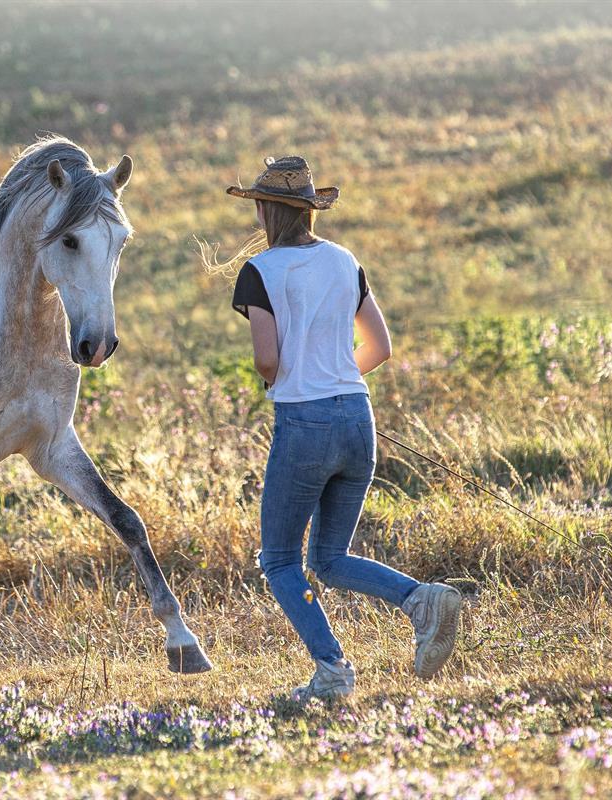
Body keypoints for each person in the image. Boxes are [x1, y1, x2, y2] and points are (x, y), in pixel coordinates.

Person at [224, 156, 462, 701]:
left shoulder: (260, 271)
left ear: (264, 209)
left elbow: (266, 360)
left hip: (303, 425)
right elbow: (380, 346)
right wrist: (333, 376)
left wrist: (293, 379)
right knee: (329, 559)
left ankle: (332, 670)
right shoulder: (344, 259)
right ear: (309, 210)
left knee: (281, 560)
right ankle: (420, 598)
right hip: (358, 419)